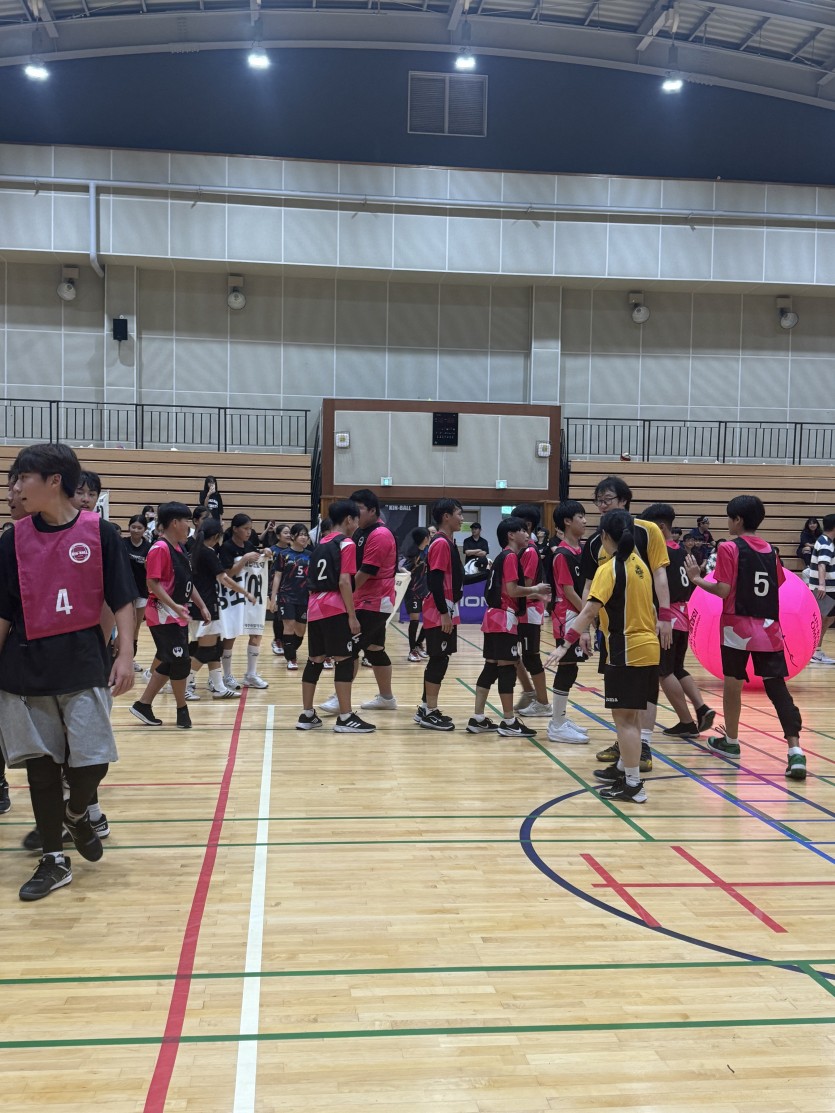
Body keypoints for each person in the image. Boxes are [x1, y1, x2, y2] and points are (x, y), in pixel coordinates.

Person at [0, 443, 136, 900]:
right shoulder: (12, 539)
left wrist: (125, 654)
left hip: (83, 660)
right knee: (41, 768)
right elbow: (3, 611)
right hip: (25, 665)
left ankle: (77, 813)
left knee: (93, 759)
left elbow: (122, 598)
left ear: (54, 480)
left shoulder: (101, 532)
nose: (16, 488)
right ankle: (53, 860)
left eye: (24, 478)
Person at [684, 495, 806, 781]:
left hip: (736, 628)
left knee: (733, 684)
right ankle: (795, 751)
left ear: (737, 520)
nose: (728, 522)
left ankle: (732, 741)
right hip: (769, 628)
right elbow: (779, 582)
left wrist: (697, 579)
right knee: (777, 689)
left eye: (729, 517)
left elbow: (723, 590)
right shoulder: (771, 551)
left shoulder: (729, 547)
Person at [548, 509, 661, 804]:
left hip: (626, 651)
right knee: (632, 719)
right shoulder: (640, 565)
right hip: (648, 649)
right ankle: (626, 774)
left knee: (625, 722)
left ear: (605, 537)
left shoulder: (609, 569)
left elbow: (588, 611)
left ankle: (634, 785)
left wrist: (564, 645)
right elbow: (652, 609)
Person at [580, 476, 671, 775]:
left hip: (645, 628)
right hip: (612, 633)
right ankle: (626, 747)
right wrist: (586, 628)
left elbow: (660, 575)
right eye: (598, 501)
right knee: (621, 696)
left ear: (624, 500)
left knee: (645, 688)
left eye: (607, 499)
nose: (602, 506)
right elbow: (590, 586)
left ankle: (643, 746)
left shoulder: (648, 531)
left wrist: (665, 616)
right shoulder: (597, 540)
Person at [130, 502, 212, 729]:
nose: (189, 526)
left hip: (176, 613)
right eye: (186, 521)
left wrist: (201, 605)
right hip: (162, 613)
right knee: (181, 661)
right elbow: (152, 583)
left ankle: (143, 704)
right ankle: (181, 709)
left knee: (170, 659)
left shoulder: (179, 548)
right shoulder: (159, 548)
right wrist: (174, 606)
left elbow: (187, 583)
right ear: (175, 522)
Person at [296, 499, 375, 734]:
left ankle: (307, 714)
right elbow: (344, 582)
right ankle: (346, 717)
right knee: (344, 659)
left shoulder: (320, 544)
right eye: (356, 520)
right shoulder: (346, 544)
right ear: (349, 519)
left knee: (315, 659)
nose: (357, 525)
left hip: (315, 605)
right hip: (334, 606)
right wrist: (352, 615)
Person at [467, 517, 550, 738]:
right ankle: (509, 721)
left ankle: (478, 718)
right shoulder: (511, 556)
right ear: (511, 535)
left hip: (493, 617)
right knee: (506, 669)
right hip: (504, 617)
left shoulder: (502, 556)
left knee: (490, 667)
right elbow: (513, 591)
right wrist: (536, 589)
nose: (527, 534)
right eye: (523, 530)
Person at [640, 503, 715, 737]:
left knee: (663, 672)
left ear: (660, 527)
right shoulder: (683, 551)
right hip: (684, 615)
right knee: (677, 668)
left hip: (668, 618)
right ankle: (701, 708)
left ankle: (686, 722)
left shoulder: (660, 552)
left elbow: (660, 586)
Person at [321, 488, 398, 714]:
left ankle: (340, 699)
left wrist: (342, 594)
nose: (354, 513)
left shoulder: (380, 535)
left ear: (372, 510)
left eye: (360, 509)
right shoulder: (359, 532)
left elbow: (365, 573)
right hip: (364, 600)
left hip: (374, 602)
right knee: (374, 649)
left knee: (349, 648)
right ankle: (387, 698)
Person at [188, 518, 255, 697]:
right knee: (206, 650)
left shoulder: (194, 550)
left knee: (214, 649)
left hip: (198, 605)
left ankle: (218, 687)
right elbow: (224, 579)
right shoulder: (208, 553)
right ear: (217, 536)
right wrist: (246, 593)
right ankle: (185, 683)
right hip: (206, 606)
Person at [547, 499, 591, 744]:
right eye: (580, 517)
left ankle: (560, 718)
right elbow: (569, 591)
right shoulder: (562, 555)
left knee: (571, 668)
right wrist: (589, 613)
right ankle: (556, 724)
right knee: (566, 668)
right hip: (567, 616)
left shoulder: (581, 551)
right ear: (567, 521)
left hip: (578, 614)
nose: (585, 521)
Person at [510, 504, 552, 719]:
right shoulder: (520, 549)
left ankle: (543, 703)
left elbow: (526, 587)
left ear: (527, 525)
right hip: (519, 609)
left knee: (531, 658)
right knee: (511, 654)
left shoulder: (529, 551)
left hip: (529, 610)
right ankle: (528, 692)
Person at [219, 513, 269, 689]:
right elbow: (227, 574)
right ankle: (227, 675)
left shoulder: (249, 545)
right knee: (230, 635)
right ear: (235, 529)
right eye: (245, 528)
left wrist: (265, 552)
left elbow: (257, 557)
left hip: (251, 596)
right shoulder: (226, 547)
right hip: (233, 597)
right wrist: (245, 559)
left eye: (250, 529)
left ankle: (251, 675)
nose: (249, 532)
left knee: (256, 633)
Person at [269, 522, 311, 672]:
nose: (304, 537)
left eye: (306, 535)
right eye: (301, 535)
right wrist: (273, 597)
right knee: (289, 625)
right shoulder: (283, 554)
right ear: (293, 537)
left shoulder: (310, 555)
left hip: (304, 597)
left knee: (300, 630)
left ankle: (290, 649)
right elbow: (277, 576)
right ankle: (291, 659)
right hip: (286, 596)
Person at [124, 513, 152, 670]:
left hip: (142, 591)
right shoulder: (122, 543)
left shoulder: (148, 547)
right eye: (133, 527)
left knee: (135, 627)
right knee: (125, 625)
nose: (135, 530)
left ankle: (130, 659)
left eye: (139, 527)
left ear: (144, 529)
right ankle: (118, 657)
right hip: (125, 591)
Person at [808, 513, 835, 664]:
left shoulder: (825, 541)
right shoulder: (825, 543)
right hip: (826, 590)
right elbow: (822, 564)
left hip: (828, 589)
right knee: (822, 619)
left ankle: (816, 650)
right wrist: (822, 585)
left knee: (828, 618)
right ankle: (815, 651)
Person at [401, 527, 430, 662]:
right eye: (429, 536)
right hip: (412, 592)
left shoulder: (426, 552)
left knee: (429, 619)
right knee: (415, 620)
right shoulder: (414, 554)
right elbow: (402, 568)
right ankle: (412, 650)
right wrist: (406, 572)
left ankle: (418, 644)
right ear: (425, 538)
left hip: (424, 591)